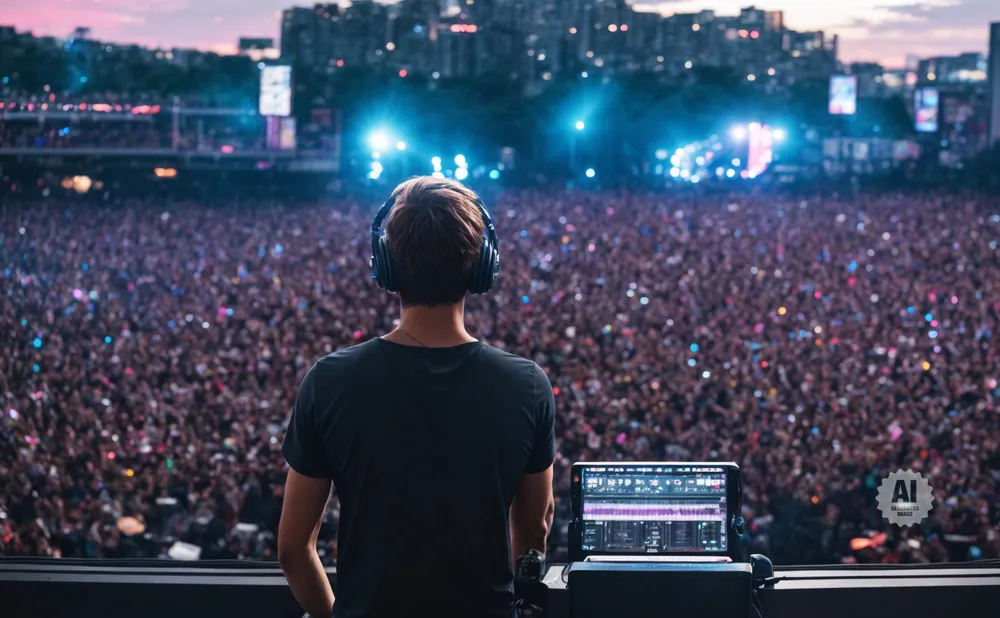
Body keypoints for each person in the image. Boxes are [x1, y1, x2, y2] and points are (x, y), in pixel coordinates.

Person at [277, 177, 557, 618]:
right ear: (483, 266)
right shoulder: (528, 385)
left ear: (385, 267)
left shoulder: (329, 381)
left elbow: (293, 550)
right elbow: (534, 533)